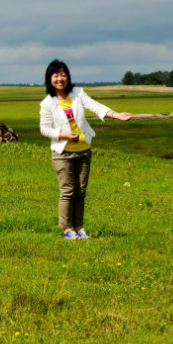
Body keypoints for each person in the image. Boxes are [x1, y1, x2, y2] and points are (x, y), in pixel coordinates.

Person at [39, 59, 132, 240]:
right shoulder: (47, 103)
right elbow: (45, 128)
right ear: (49, 78)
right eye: (56, 75)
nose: (60, 78)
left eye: (63, 74)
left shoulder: (77, 93)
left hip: (83, 150)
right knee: (68, 190)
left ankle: (79, 228)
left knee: (81, 191)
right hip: (62, 153)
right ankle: (67, 230)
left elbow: (94, 106)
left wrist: (116, 115)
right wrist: (64, 135)